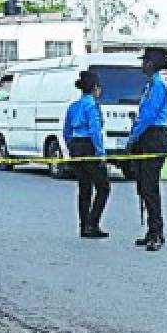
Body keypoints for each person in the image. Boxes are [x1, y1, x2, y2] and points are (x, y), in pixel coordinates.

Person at [129, 47, 167, 251]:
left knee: (150, 187)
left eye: (145, 61)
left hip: (153, 136)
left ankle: (157, 232)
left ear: (151, 64)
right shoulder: (151, 84)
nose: (142, 64)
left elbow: (149, 115)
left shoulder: (158, 85)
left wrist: (134, 136)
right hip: (147, 136)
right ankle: (151, 230)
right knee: (144, 187)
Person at [63, 70, 110, 238]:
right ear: (95, 88)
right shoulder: (92, 105)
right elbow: (95, 130)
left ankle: (84, 226)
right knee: (103, 187)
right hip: (88, 146)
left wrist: (71, 147)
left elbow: (66, 131)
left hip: (76, 146)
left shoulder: (73, 106)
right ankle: (93, 223)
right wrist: (100, 153)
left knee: (84, 187)